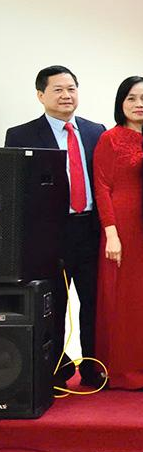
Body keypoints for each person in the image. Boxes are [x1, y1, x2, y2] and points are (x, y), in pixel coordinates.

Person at [5, 65, 106, 388]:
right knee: (52, 304)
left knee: (94, 303)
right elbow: (15, 190)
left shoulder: (95, 131)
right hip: (50, 235)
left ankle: (92, 367)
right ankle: (54, 369)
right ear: (40, 95)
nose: (66, 95)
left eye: (71, 89)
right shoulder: (20, 135)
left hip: (90, 230)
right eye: (58, 90)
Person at [92, 76, 143, 391]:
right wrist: (111, 233)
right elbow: (102, 187)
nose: (140, 104)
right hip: (123, 227)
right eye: (132, 98)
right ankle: (126, 372)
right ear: (121, 103)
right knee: (127, 298)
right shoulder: (109, 138)